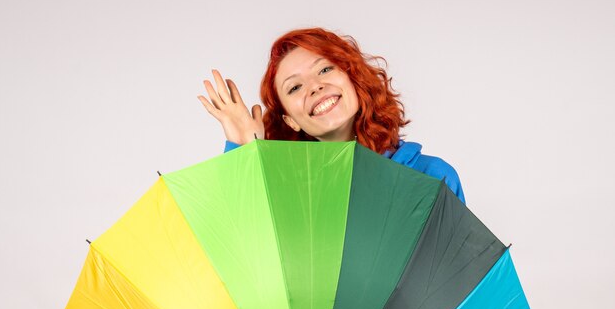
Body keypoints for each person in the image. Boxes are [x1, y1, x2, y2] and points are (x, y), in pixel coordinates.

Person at [198, 27, 465, 203]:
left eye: (324, 70)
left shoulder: (432, 179)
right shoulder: (292, 198)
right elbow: (240, 251)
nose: (315, 86)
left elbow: (458, 280)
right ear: (289, 118)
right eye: (295, 87)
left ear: (353, 78)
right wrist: (243, 154)